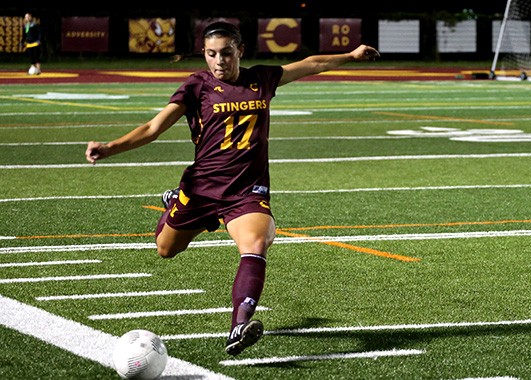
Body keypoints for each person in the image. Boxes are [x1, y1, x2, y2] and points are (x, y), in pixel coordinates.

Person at [85, 21, 380, 356]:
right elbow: (153, 127)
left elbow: (312, 64)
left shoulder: (262, 79)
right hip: (200, 190)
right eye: (211, 54)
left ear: (240, 50)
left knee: (256, 241)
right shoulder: (197, 86)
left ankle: (239, 325)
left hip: (246, 192)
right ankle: (172, 203)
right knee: (166, 249)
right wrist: (110, 147)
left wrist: (351, 55)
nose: (219, 61)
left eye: (226, 53)